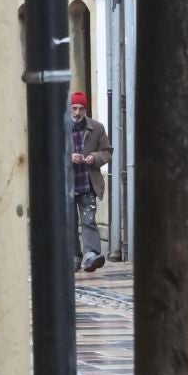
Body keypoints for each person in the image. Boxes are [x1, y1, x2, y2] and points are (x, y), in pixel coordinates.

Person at [70, 91, 113, 273]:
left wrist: (94, 158)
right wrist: (68, 157)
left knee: (89, 220)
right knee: (69, 222)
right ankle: (73, 256)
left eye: (81, 108)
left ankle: (91, 256)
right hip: (67, 184)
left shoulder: (97, 128)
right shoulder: (59, 127)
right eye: (74, 108)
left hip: (88, 183)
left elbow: (107, 151)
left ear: (85, 109)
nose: (77, 112)